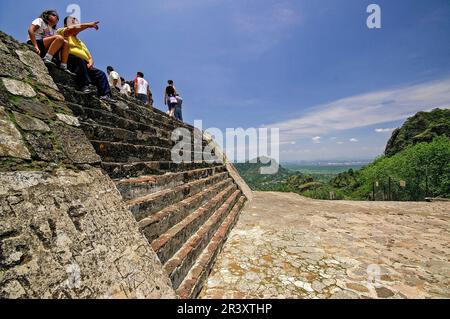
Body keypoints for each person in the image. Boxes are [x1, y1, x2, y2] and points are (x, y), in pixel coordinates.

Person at [57, 16, 115, 103]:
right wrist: (88, 25)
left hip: (84, 65)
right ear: (66, 24)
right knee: (79, 60)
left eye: (76, 21)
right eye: (72, 21)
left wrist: (91, 63)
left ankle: (105, 95)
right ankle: (84, 86)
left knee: (101, 74)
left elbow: (89, 57)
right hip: (69, 59)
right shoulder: (61, 31)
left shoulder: (81, 42)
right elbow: (71, 30)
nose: (75, 23)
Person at [27, 9, 73, 74]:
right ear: (46, 15)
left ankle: (63, 65)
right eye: (54, 15)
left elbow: (57, 44)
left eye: (57, 18)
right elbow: (30, 30)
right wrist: (35, 46)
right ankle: (47, 58)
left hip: (45, 47)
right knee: (59, 38)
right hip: (34, 42)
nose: (56, 18)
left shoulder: (54, 30)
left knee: (66, 42)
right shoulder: (40, 21)